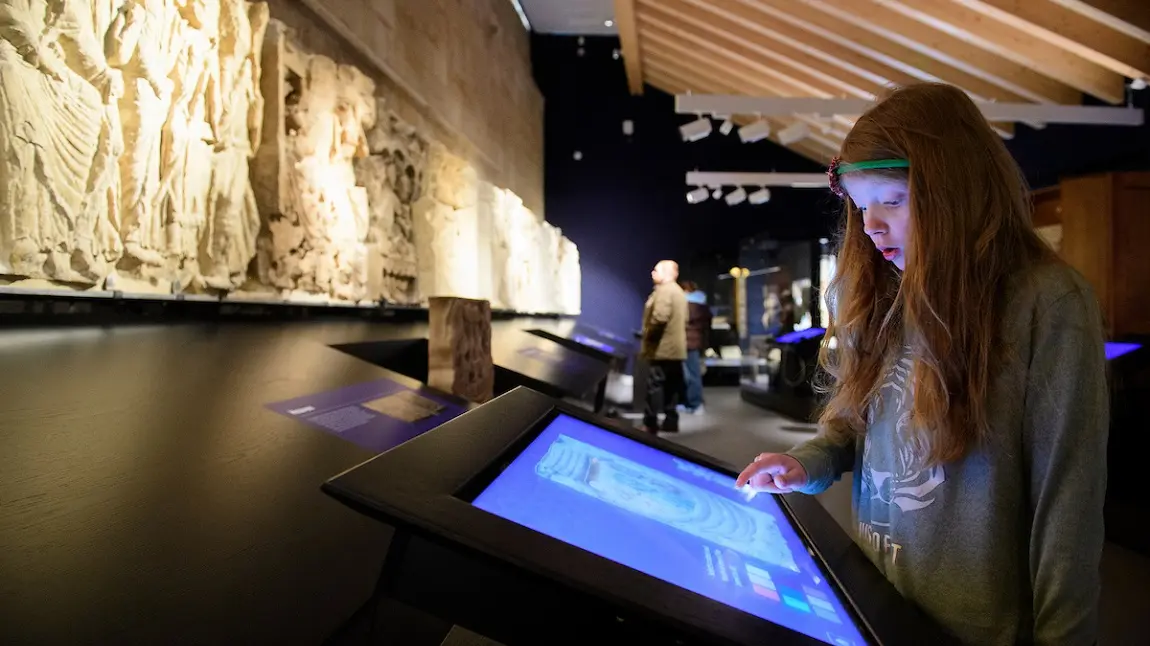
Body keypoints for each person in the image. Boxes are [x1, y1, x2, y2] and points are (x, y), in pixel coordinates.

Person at [735, 83, 1107, 646]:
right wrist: (804, 463)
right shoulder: (883, 294)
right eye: (861, 208)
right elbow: (855, 423)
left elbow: (1067, 509)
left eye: (892, 198)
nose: (872, 227)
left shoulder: (1049, 303)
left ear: (955, 188)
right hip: (876, 601)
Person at [640, 260, 688, 433]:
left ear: (666, 273)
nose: (653, 273)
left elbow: (660, 318)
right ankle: (670, 420)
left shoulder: (665, 291)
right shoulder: (678, 291)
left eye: (656, 270)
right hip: (675, 350)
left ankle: (650, 423)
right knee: (672, 387)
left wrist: (648, 337)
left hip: (662, 349)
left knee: (655, 386)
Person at [681, 281, 712, 414]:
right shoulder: (703, 306)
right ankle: (693, 403)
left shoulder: (686, 305)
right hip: (696, 342)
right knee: (693, 373)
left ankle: (695, 403)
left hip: (686, 342)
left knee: (690, 374)